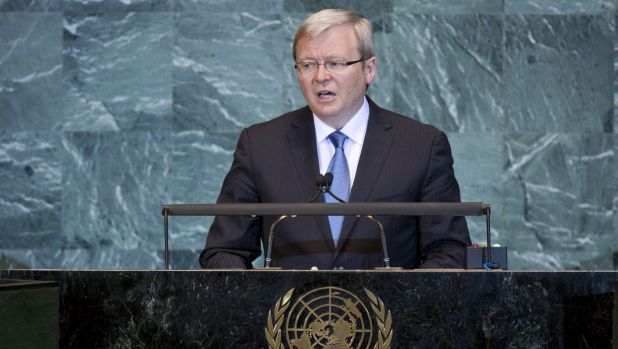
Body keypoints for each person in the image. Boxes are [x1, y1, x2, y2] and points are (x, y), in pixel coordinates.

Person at [199, 9, 471, 270]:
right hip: (289, 316)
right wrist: (258, 303)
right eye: (308, 65)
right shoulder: (261, 145)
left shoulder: (421, 146)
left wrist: (404, 305)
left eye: (335, 63)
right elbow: (223, 250)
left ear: (369, 69)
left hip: (390, 317)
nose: (321, 77)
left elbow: (449, 251)